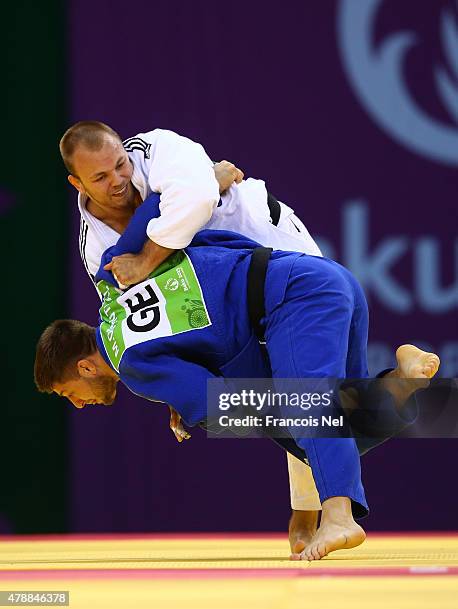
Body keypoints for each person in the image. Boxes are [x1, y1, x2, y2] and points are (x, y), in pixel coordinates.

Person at [35, 195, 440, 561]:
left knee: (306, 412)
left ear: (85, 366)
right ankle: (402, 379)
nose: (77, 403)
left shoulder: (133, 366)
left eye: (69, 392)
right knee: (348, 423)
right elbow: (165, 203)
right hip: (323, 276)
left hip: (294, 301)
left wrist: (218, 412)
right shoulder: (113, 276)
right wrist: (212, 179)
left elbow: (216, 402)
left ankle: (338, 515)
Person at [60, 120, 324, 551]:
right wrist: (176, 385)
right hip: (216, 297)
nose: (119, 181)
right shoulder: (95, 248)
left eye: (120, 166)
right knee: (280, 392)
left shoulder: (155, 148)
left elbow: (199, 197)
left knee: (308, 376)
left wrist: (146, 258)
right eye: (101, 177)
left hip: (264, 239)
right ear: (78, 183)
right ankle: (328, 496)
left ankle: (316, 510)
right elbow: (149, 315)